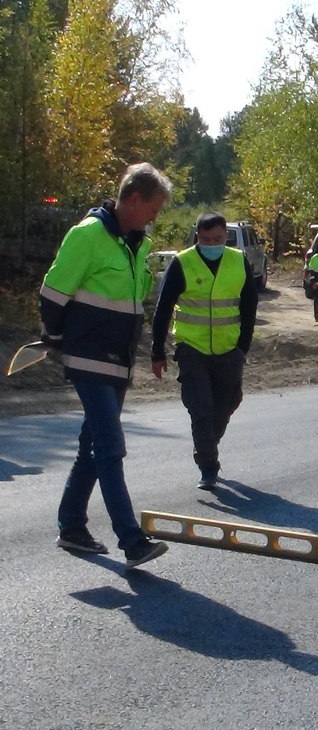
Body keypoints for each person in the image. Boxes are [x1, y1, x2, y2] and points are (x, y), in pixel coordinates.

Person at [39, 162, 173, 569]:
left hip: (118, 360)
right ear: (133, 199)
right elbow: (52, 294)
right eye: (153, 208)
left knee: (91, 447)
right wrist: (57, 340)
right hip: (88, 356)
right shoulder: (89, 235)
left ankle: (71, 526)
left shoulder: (138, 244)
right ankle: (131, 540)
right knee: (110, 446)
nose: (155, 216)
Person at [150, 212, 259, 491]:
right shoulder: (182, 263)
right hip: (191, 348)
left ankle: (207, 445)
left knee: (225, 407)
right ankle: (209, 466)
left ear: (226, 237)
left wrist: (242, 347)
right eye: (207, 239)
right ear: (197, 236)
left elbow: (249, 308)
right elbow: (162, 309)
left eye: (219, 239)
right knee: (200, 408)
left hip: (229, 350)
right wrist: (157, 351)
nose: (213, 243)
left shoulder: (238, 261)